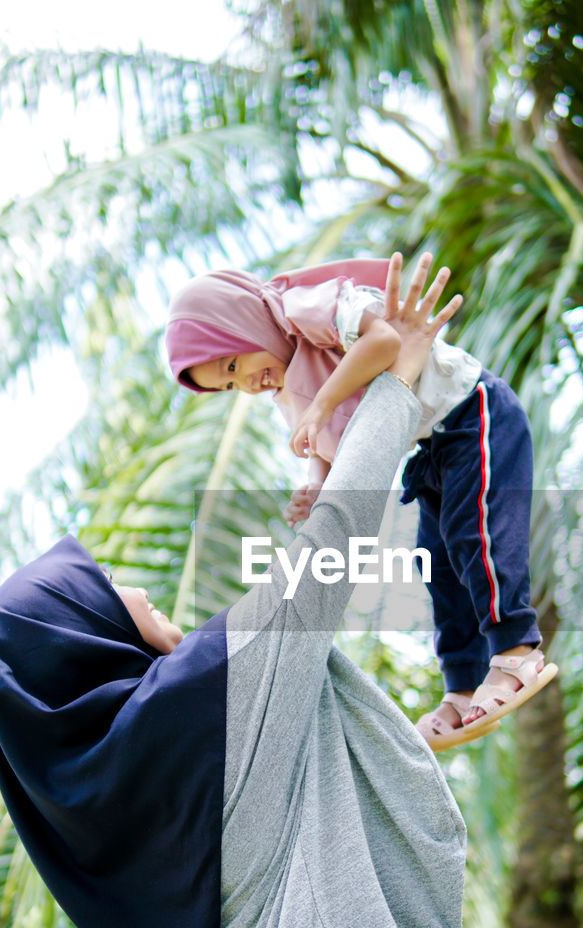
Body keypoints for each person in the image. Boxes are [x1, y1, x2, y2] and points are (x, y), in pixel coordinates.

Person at [0, 256, 472, 928]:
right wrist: (398, 380)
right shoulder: (210, 701)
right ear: (84, 641)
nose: (131, 581)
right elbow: (326, 557)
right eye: (101, 586)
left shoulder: (112, 788)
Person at [165, 253, 556, 750]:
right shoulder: (289, 386)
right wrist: (316, 486)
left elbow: (385, 341)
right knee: (435, 562)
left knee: (474, 536)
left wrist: (324, 402)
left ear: (243, 322)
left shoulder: (303, 309)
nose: (245, 383)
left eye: (235, 364)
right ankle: (461, 685)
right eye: (228, 385)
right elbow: (327, 444)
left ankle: (517, 650)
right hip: (433, 446)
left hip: (474, 412)